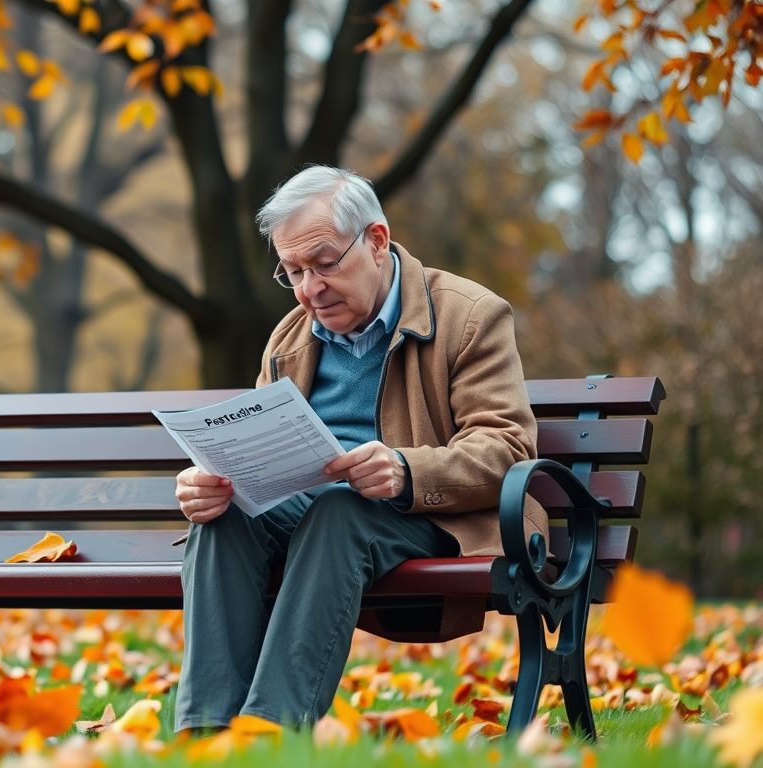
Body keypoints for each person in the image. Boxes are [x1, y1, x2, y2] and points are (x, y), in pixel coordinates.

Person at [172, 165, 547, 732]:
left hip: (426, 517)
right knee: (226, 515)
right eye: (293, 271)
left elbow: (508, 447)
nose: (309, 290)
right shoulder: (290, 336)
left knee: (339, 510)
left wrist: (403, 469)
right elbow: (256, 441)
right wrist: (213, 478)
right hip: (314, 519)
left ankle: (268, 734)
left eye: (324, 264)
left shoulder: (469, 316)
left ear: (375, 241)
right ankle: (204, 735)